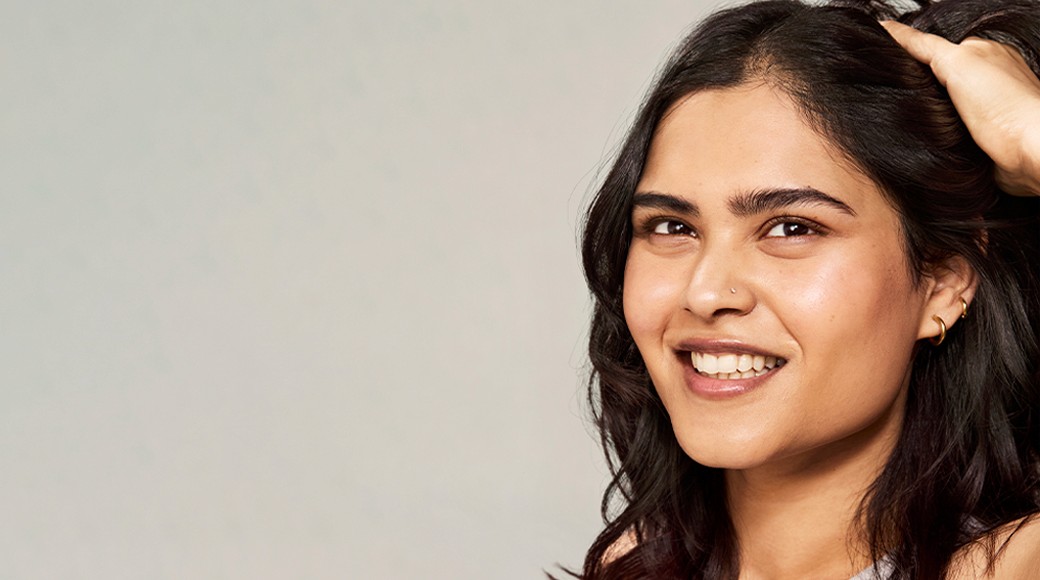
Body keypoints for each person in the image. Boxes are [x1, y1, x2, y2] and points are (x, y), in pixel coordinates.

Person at [573, 0, 1040, 577]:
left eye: (792, 228)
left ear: (942, 282)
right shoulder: (634, 564)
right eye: (673, 227)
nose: (706, 291)